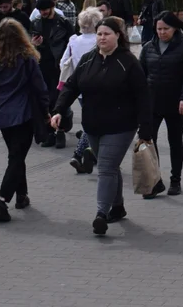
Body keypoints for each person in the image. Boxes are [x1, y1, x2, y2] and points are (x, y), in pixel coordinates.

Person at [51, 16, 153, 236]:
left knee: (105, 167)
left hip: (121, 126)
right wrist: (59, 110)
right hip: (93, 125)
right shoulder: (88, 59)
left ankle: (100, 214)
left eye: (107, 33)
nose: (102, 38)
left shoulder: (128, 62)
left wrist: (146, 129)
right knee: (111, 168)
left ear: (118, 35)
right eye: (99, 34)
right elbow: (71, 86)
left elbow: (143, 97)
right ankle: (117, 207)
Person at [0, 18, 50, 222]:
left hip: (4, 116)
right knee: (17, 158)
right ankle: (2, 200)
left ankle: (22, 195)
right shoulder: (28, 60)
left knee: (15, 154)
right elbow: (40, 87)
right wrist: (46, 110)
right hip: (24, 115)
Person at [140, 11, 183, 198]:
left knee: (175, 141)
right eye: (159, 29)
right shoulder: (148, 47)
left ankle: (176, 180)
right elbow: (140, 75)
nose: (162, 32)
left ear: (174, 28)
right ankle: (154, 181)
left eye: (166, 29)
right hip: (152, 103)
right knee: (149, 141)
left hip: (176, 103)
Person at [61, 7, 101, 174]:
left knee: (92, 121)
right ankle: (80, 153)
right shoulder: (98, 41)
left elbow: (63, 62)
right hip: (99, 85)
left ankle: (91, 154)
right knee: (94, 123)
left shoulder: (74, 40)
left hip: (80, 87)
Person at [31, 0, 73, 148]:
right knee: (45, 100)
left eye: (46, 9)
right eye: (41, 10)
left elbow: (72, 42)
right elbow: (30, 42)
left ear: (52, 7)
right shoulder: (36, 23)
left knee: (58, 100)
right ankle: (49, 133)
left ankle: (60, 131)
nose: (43, 12)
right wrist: (35, 44)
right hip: (42, 65)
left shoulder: (63, 23)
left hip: (58, 66)